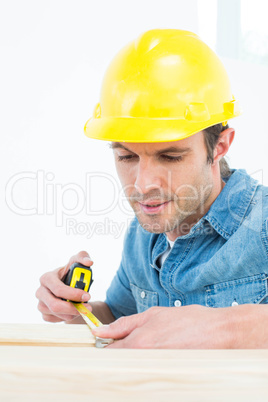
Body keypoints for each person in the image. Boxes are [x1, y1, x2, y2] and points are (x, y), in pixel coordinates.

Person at [36, 29, 268, 349]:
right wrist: (75, 310)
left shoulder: (263, 222)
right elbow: (122, 317)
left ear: (220, 146)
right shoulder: (141, 236)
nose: (143, 185)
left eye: (170, 156)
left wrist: (225, 328)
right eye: (126, 156)